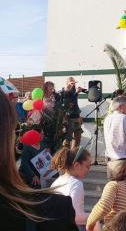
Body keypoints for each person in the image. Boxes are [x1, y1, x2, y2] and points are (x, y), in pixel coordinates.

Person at [0, 88, 78, 230]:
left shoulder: (42, 145)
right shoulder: (55, 211)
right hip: (33, 183)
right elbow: (24, 164)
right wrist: (32, 176)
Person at [51, 147, 93, 231]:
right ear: (77, 165)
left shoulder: (57, 182)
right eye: (88, 166)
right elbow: (75, 216)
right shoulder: (76, 184)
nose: (89, 170)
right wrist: (96, 216)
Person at [59, 77, 87, 148]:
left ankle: (74, 154)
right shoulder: (65, 92)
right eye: (71, 83)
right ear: (67, 84)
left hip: (76, 116)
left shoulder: (74, 90)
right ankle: (66, 155)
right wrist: (76, 93)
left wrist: (83, 90)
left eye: (74, 82)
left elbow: (75, 104)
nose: (73, 84)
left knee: (78, 138)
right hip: (69, 118)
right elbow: (70, 103)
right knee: (68, 139)